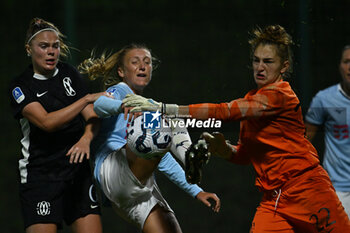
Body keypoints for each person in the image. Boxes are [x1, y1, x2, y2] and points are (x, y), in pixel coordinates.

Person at [123, 25, 350, 232]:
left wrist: (165, 109)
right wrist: (223, 149)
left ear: (284, 66)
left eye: (268, 62)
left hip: (307, 191)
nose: (260, 67)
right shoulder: (253, 100)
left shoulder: (280, 96)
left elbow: (224, 111)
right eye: (256, 60)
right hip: (274, 201)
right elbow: (246, 155)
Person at [78, 43, 220, 233]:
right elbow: (100, 105)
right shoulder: (120, 91)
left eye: (147, 62)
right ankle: (188, 155)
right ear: (121, 71)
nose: (142, 66)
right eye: (135, 62)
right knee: (168, 117)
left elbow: (163, 157)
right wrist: (121, 106)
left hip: (138, 186)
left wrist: (196, 191)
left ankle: (189, 158)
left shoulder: (150, 107)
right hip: (113, 170)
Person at [8, 18, 106, 233]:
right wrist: (85, 99)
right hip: (41, 177)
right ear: (29, 49)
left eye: (55, 46)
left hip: (77, 173)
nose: (51, 52)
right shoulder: (21, 86)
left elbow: (92, 118)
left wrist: (85, 139)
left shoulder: (69, 74)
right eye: (44, 46)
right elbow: (46, 122)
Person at [305, 45, 350, 217]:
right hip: (336, 191)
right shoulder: (324, 99)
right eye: (347, 62)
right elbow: (303, 142)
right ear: (340, 66)